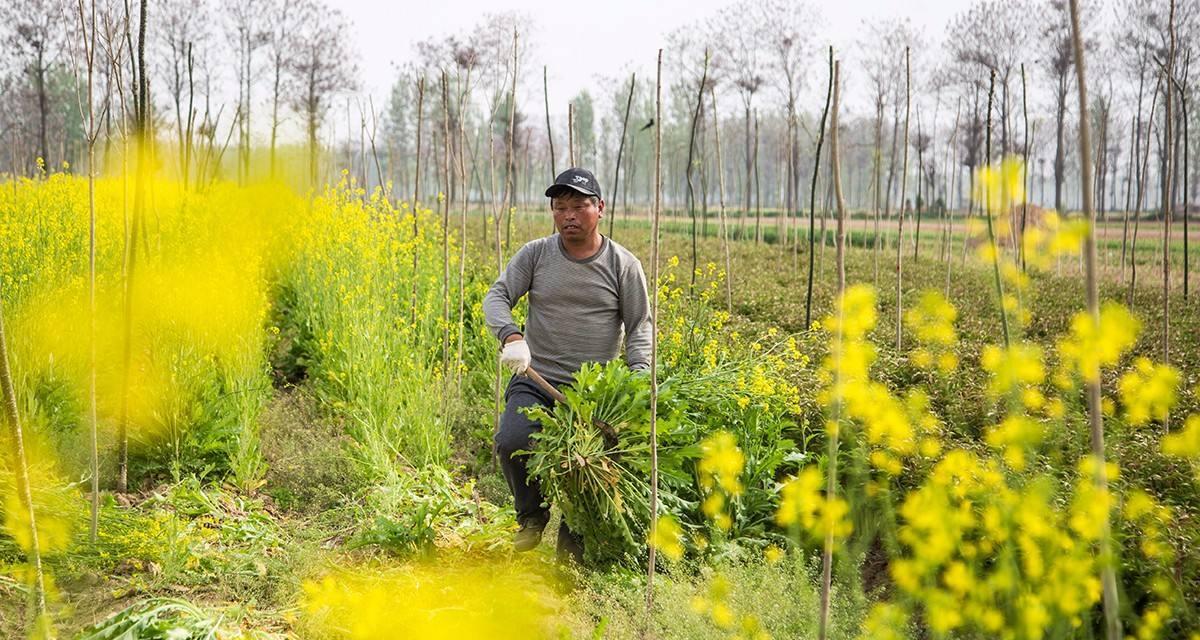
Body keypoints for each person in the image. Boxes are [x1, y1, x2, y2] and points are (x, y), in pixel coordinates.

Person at [482, 167, 653, 563]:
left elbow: (639, 326)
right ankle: (531, 516)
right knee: (512, 441)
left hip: (595, 395)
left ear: (600, 208)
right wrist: (511, 335)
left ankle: (569, 559)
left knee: (585, 470)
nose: (569, 215)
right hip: (537, 379)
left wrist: (638, 374)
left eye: (579, 206)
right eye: (560, 207)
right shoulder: (536, 255)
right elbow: (497, 295)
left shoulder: (623, 265)